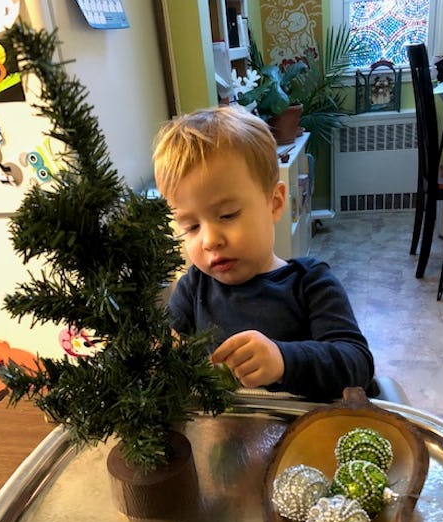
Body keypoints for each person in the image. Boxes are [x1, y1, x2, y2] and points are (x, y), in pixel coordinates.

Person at [153, 106, 374, 403]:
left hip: (303, 435)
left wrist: (284, 361)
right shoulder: (194, 286)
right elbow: (166, 346)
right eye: (191, 227)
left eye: (228, 215)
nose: (210, 240)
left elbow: (358, 364)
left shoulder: (310, 283)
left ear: (274, 203)